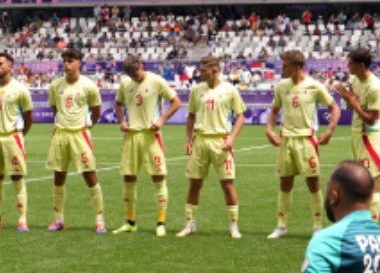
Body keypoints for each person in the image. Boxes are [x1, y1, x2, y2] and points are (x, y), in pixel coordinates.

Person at [264, 49, 336, 239]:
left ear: (297, 67)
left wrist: (329, 131)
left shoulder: (314, 86)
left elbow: (334, 108)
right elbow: (274, 110)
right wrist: (269, 129)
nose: (283, 68)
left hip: (307, 140)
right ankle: (281, 226)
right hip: (286, 139)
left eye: (286, 65)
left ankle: (317, 226)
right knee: (285, 182)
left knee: (313, 182)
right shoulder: (281, 86)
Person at [114, 54, 181, 235]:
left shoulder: (156, 81)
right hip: (132, 137)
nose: (134, 77)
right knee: (128, 178)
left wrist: (162, 120)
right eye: (130, 75)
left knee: (158, 177)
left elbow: (176, 102)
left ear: (141, 66)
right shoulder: (125, 84)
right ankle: (130, 221)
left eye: (135, 73)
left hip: (151, 137)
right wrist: (122, 121)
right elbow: (118, 103)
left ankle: (160, 223)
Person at [181, 55, 245, 238]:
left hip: (221, 142)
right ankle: (189, 224)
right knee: (194, 184)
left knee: (227, 184)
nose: (199, 74)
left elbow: (240, 116)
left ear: (215, 70)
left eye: (203, 71)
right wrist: (188, 140)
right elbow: (191, 116)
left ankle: (234, 225)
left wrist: (232, 139)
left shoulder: (230, 90)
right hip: (200, 141)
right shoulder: (196, 90)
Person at [45, 47, 103, 233]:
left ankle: (99, 219)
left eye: (70, 61)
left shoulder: (89, 86)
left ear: (79, 62)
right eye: (65, 60)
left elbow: (96, 111)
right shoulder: (55, 85)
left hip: (80, 135)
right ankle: (58, 219)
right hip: (61, 135)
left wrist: (87, 126)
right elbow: (55, 109)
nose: (67, 64)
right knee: (58, 176)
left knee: (89, 175)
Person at [0, 52, 34, 232]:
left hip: (12, 138)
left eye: (0, 64)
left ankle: (22, 220)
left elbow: (29, 116)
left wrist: (19, 135)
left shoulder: (20, 89)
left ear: (11, 67)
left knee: (17, 177)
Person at [332, 48, 380, 217]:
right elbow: (353, 106)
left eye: (351, 64)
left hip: (369, 138)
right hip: (357, 136)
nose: (348, 67)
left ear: (361, 65)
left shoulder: (374, 87)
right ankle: (363, 219)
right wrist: (347, 99)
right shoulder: (355, 80)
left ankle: (373, 225)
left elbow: (371, 119)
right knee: (360, 180)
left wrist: (352, 102)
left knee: (371, 181)